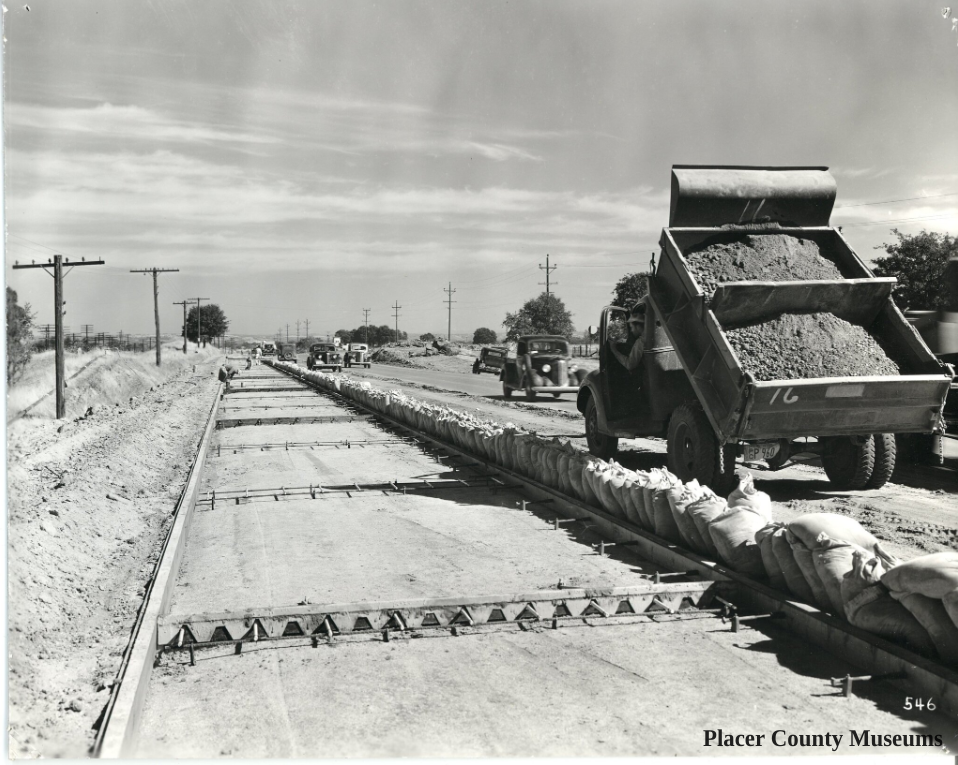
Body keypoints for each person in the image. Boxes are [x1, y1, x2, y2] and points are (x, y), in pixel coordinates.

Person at [609, 300, 646, 372]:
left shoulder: (641, 342)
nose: (631, 331)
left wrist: (613, 349)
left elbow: (629, 365)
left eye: (632, 327)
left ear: (638, 325)